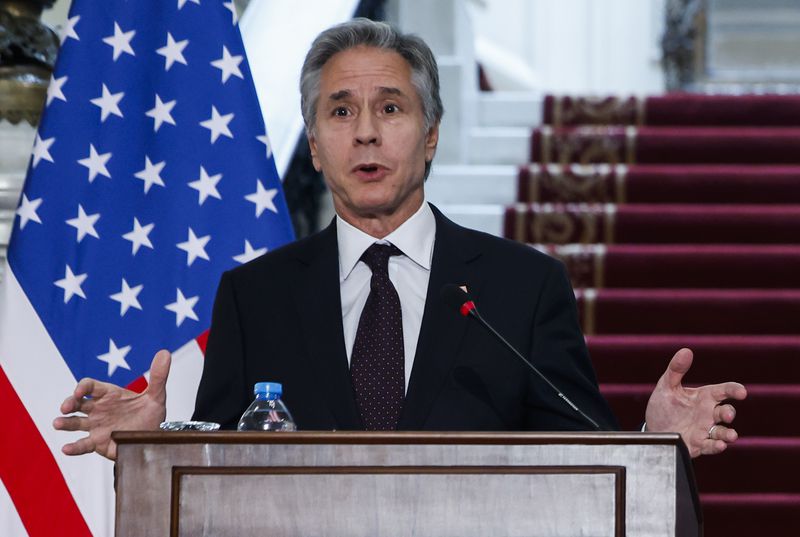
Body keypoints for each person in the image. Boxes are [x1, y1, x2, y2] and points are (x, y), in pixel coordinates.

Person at [54, 18, 746, 461]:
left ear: (431, 135)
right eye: (340, 111)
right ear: (317, 148)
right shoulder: (254, 295)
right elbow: (219, 472)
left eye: (390, 108)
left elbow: (587, 456)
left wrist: (653, 443)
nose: (365, 133)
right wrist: (152, 444)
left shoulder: (522, 286)